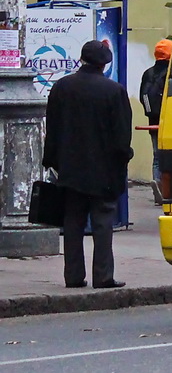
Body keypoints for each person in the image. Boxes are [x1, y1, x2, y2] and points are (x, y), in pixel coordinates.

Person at [42, 40, 134, 289]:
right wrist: (124, 157)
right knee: (103, 220)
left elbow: (52, 129)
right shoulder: (113, 91)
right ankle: (103, 276)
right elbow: (121, 137)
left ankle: (73, 275)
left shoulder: (61, 87)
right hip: (104, 170)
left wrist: (52, 161)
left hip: (70, 168)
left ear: (82, 59)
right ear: (104, 64)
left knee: (73, 220)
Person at [140, 38, 172, 205]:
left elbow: (142, 97)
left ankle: (157, 184)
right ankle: (169, 189)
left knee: (156, 156)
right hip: (171, 121)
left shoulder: (148, 73)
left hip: (152, 122)